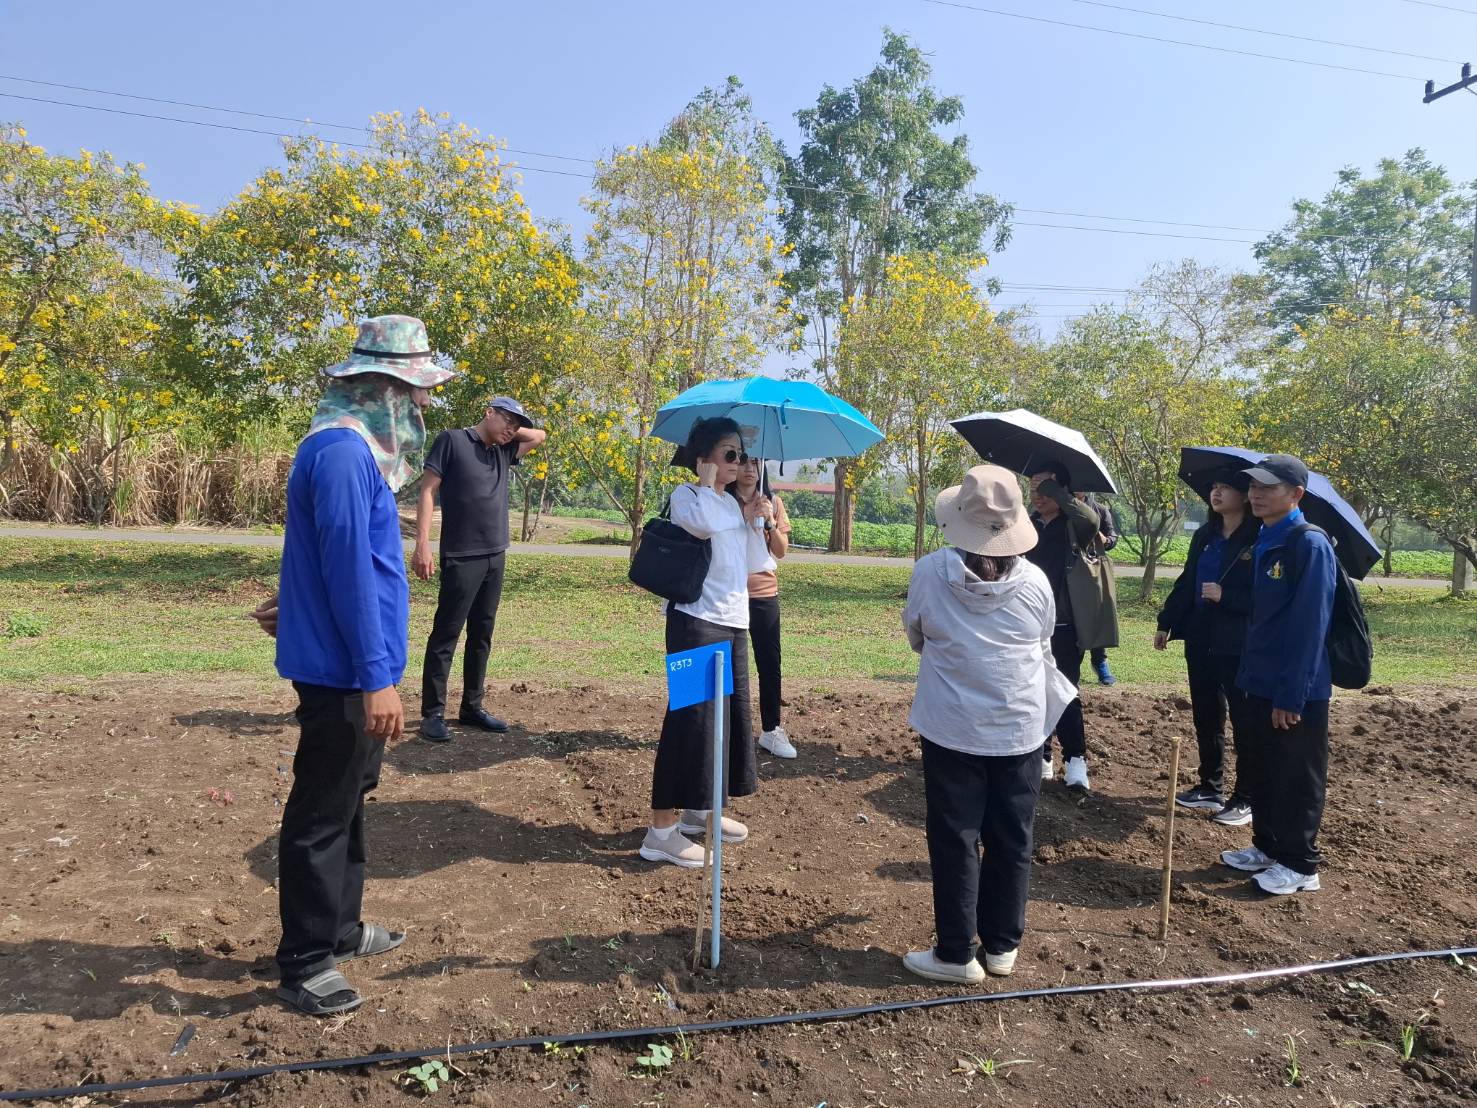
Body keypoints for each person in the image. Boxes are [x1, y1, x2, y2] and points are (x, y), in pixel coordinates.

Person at [270, 315, 455, 1016]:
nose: (424, 403)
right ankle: (306, 961)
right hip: (346, 672)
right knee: (323, 810)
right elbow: (349, 569)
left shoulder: (341, 452)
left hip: (346, 659)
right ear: (383, 390)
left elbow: (324, 553)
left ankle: (340, 929)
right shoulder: (345, 456)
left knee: (349, 797)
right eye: (416, 390)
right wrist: (378, 679)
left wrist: (294, 602)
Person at [901, 465, 1074, 984]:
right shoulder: (1036, 582)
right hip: (1020, 727)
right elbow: (1043, 644)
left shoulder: (930, 572)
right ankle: (1002, 946)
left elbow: (917, 635)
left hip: (951, 726)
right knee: (1013, 835)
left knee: (955, 836)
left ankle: (956, 953)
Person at [640, 418, 768, 868]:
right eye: (730, 454)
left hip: (733, 624)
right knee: (689, 722)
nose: (739, 463)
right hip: (695, 624)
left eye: (742, 455)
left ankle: (701, 811)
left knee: (723, 723)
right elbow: (701, 524)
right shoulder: (689, 497)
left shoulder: (731, 504)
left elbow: (756, 563)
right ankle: (661, 831)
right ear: (704, 459)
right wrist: (710, 486)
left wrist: (757, 520)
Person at [1219, 454, 1337, 897]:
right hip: (1258, 681)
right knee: (1262, 767)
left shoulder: (1308, 544)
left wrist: (1292, 695)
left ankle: (1301, 863)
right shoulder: (1266, 538)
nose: (1256, 494)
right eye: (1253, 486)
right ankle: (1267, 847)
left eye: (1268, 487)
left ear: (1296, 494)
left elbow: (1310, 627)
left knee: (1296, 775)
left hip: (1295, 689)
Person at [413, 398, 546, 741]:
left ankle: (472, 707)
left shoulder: (504, 450)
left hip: (495, 554)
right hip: (461, 555)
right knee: (446, 635)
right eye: (507, 421)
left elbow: (539, 436)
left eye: (516, 426)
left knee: (481, 635)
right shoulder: (452, 441)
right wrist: (422, 543)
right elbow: (428, 490)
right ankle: (432, 714)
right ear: (488, 412)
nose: (512, 430)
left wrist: (509, 430)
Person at [1155, 469, 1259, 826]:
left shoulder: (1257, 538)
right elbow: (1187, 581)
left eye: (1225, 487)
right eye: (1214, 487)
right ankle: (1210, 786)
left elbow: (1265, 597)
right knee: (1206, 713)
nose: (1216, 493)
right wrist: (1166, 621)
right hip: (1201, 636)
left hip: (1237, 641)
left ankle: (1246, 797)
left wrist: (1226, 596)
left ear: (1245, 495)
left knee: (1243, 718)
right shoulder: (1205, 535)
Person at [1025, 463, 1118, 792]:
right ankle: (1043, 756)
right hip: (1029, 623)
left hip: (1064, 623)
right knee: (1033, 690)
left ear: (1062, 490)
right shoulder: (1027, 525)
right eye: (1033, 488)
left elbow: (1091, 520)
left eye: (1045, 489)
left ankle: (1076, 759)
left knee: (1065, 690)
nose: (1038, 495)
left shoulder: (1074, 525)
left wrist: (1058, 491)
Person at [734, 454, 796, 759]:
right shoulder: (722, 500)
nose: (749, 468)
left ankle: (772, 730)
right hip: (728, 591)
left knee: (770, 663)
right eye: (742, 461)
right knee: (730, 664)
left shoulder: (773, 501)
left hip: (764, 592)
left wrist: (769, 521)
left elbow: (781, 552)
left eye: (755, 463)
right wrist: (743, 515)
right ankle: (729, 729)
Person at [1078, 492, 1120, 686]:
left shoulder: (1101, 510)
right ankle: (1072, 664)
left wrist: (1106, 540)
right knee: (1074, 617)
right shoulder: (1061, 507)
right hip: (1071, 569)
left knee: (1098, 614)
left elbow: (1113, 537)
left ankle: (1099, 661)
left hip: (1094, 570)